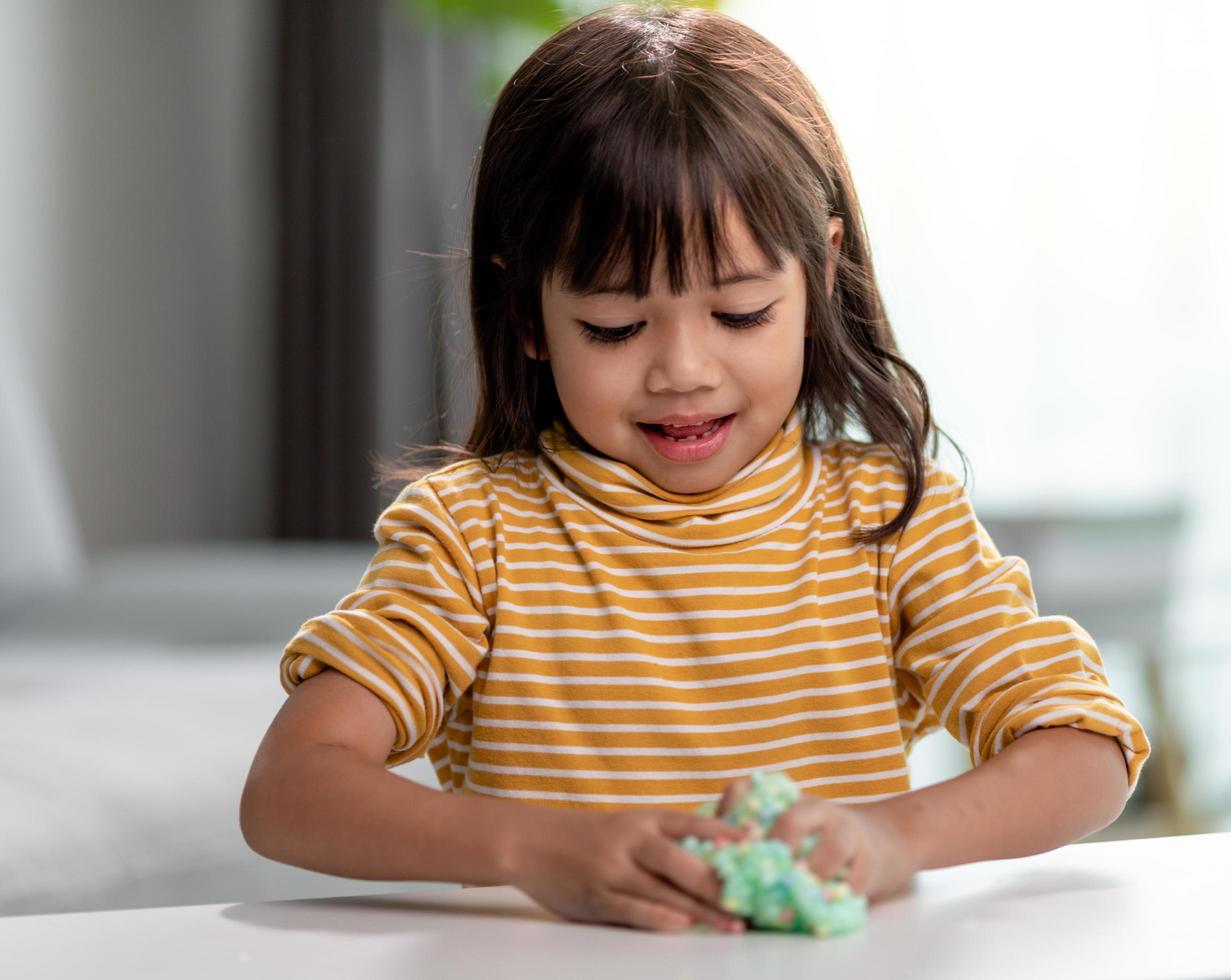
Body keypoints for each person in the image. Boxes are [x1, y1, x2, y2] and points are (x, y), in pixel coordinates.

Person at [240, 1, 1151, 936]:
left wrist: (893, 839)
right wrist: (539, 850)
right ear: (527, 316)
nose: (683, 372)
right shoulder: (477, 537)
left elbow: (1087, 749)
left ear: (820, 277)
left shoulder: (890, 521)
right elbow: (288, 788)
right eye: (614, 327)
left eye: (742, 313)